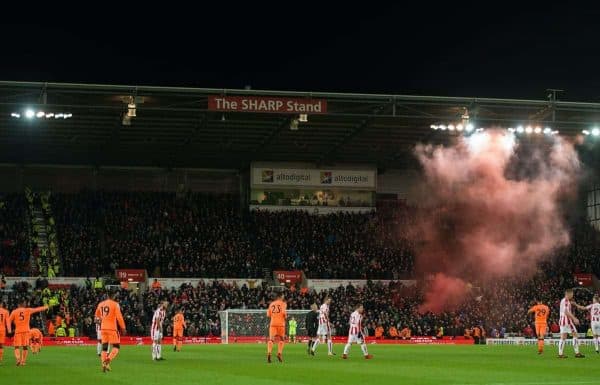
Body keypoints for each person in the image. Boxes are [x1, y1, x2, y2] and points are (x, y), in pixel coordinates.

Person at [8, 299, 50, 366]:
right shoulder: (28, 310)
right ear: (23, 304)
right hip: (26, 331)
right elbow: (37, 309)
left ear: (18, 305)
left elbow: (9, 321)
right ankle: (23, 361)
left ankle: (18, 359)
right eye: (25, 303)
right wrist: (46, 307)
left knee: (16, 346)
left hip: (18, 331)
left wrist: (10, 329)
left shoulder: (14, 312)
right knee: (25, 347)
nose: (25, 304)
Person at [95, 290, 126, 372]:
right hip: (112, 328)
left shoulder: (100, 304)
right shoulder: (115, 304)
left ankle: (104, 364)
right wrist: (123, 327)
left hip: (103, 328)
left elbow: (96, 317)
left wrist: (101, 321)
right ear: (114, 296)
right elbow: (119, 317)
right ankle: (108, 359)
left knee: (104, 348)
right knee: (116, 346)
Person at [558, 288, 584, 358]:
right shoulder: (566, 301)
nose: (572, 295)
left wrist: (576, 305)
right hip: (567, 321)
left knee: (563, 337)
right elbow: (566, 312)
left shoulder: (564, 300)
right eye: (572, 294)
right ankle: (577, 353)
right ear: (568, 294)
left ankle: (560, 354)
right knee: (575, 335)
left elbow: (570, 304)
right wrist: (574, 318)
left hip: (562, 321)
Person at [266, 292, 287, 363]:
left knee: (271, 340)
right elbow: (284, 313)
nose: (284, 297)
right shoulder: (283, 303)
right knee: (282, 339)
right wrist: (286, 317)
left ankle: (269, 353)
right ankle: (279, 353)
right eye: (283, 296)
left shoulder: (271, 304)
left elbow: (268, 315)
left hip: (273, 324)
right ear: (280, 296)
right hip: (281, 324)